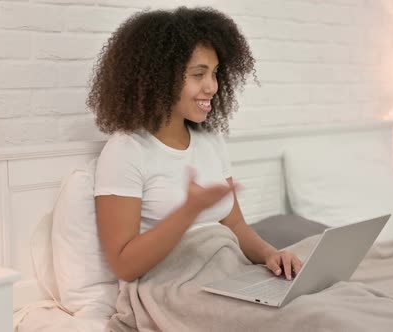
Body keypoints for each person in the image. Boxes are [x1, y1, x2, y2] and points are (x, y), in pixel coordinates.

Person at [87, 7, 303, 285]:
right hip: (169, 289)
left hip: (228, 275)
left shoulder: (209, 140)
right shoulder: (126, 151)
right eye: (198, 75)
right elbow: (124, 266)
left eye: (214, 73)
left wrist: (271, 255)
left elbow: (235, 224)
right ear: (159, 78)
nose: (212, 86)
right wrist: (190, 210)